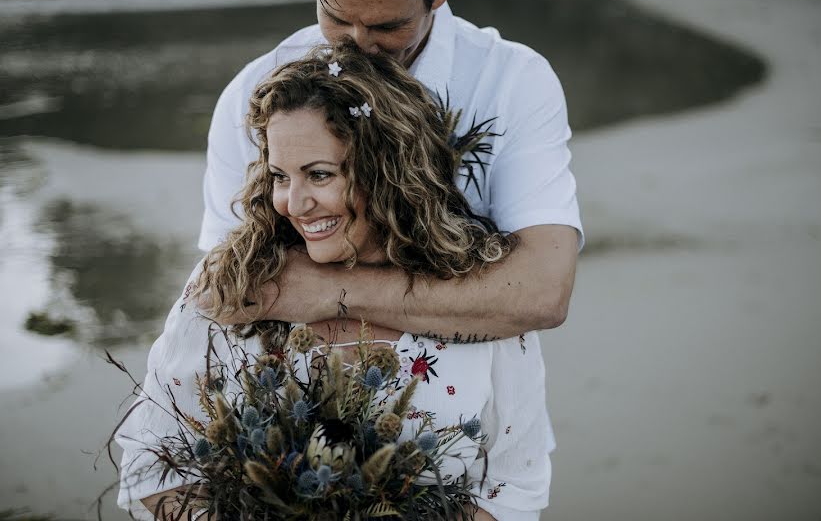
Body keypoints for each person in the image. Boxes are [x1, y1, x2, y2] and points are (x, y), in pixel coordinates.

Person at [117, 41, 554, 520]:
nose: (294, 203)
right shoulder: (233, 283)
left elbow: (514, 485)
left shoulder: (479, 296)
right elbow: (151, 464)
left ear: (387, 172)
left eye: (319, 175)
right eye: (280, 176)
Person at [200, 0, 582, 339]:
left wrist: (333, 290)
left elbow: (541, 291)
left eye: (387, 26)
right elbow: (229, 287)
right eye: (337, 17)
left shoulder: (510, 82)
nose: (358, 45)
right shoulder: (255, 94)